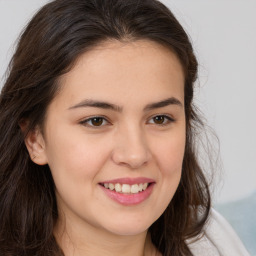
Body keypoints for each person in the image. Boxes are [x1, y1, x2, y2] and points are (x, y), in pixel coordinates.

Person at [0, 0, 250, 255]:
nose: (135, 155)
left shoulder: (213, 242)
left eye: (160, 118)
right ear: (35, 139)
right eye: (96, 121)